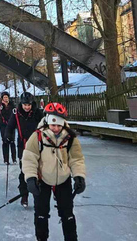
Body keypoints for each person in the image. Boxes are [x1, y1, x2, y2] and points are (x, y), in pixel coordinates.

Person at [22, 102, 86, 241]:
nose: (56, 128)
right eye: (53, 124)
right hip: (42, 180)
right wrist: (31, 178)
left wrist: (79, 176)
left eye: (59, 125)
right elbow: (29, 158)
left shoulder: (70, 138)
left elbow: (76, 158)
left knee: (67, 214)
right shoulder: (37, 136)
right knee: (41, 213)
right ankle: (41, 238)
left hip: (63, 180)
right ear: (47, 121)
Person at [5, 92, 43, 208]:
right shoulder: (16, 114)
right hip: (23, 145)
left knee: (39, 170)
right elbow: (10, 126)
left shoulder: (37, 113)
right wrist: (8, 135)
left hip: (37, 145)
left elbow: (44, 126)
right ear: (21, 104)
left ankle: (39, 194)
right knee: (25, 171)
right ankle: (24, 195)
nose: (27, 107)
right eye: (25, 105)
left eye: (29, 105)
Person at [0, 91, 16, 164]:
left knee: (12, 141)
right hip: (3, 125)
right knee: (5, 141)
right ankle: (6, 159)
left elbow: (15, 114)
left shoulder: (12, 105)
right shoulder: (0, 106)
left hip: (11, 125)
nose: (6, 98)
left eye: (7, 97)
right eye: (4, 97)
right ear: (2, 98)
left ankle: (14, 159)